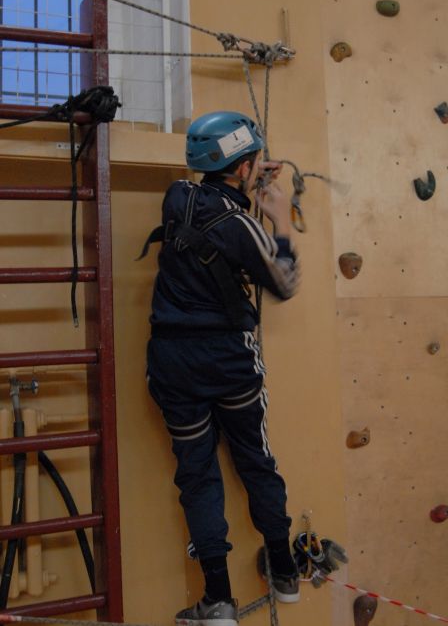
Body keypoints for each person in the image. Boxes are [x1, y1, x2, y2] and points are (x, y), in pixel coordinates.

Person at [144, 111, 300, 626]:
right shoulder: (244, 229)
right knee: (255, 458)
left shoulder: (175, 196)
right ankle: (283, 570)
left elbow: (212, 205)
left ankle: (217, 601)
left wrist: (245, 179)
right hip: (229, 361)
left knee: (197, 476)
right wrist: (279, 218)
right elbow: (283, 282)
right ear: (246, 167)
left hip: (172, 362)